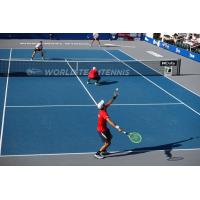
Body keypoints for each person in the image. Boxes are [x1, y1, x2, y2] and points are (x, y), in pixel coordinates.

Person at [94, 93, 123, 159]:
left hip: (105, 128)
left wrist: (114, 97)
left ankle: (103, 150)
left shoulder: (103, 109)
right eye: (104, 104)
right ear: (103, 106)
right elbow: (109, 121)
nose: (105, 104)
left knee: (110, 137)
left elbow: (109, 103)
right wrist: (117, 127)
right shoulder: (103, 113)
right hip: (101, 130)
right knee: (108, 143)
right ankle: (97, 153)